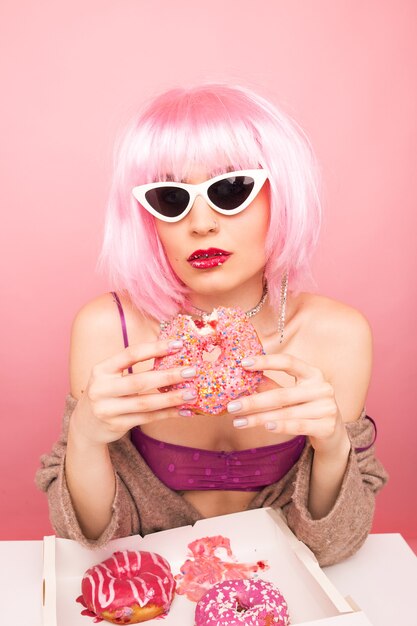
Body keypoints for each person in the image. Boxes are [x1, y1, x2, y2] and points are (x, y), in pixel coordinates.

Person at [36, 84, 387, 566]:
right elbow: (92, 540)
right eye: (170, 196)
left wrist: (332, 448)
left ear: (281, 194)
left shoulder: (337, 336)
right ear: (148, 217)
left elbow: (333, 547)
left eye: (231, 189)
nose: (200, 223)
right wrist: (85, 437)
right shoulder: (108, 330)